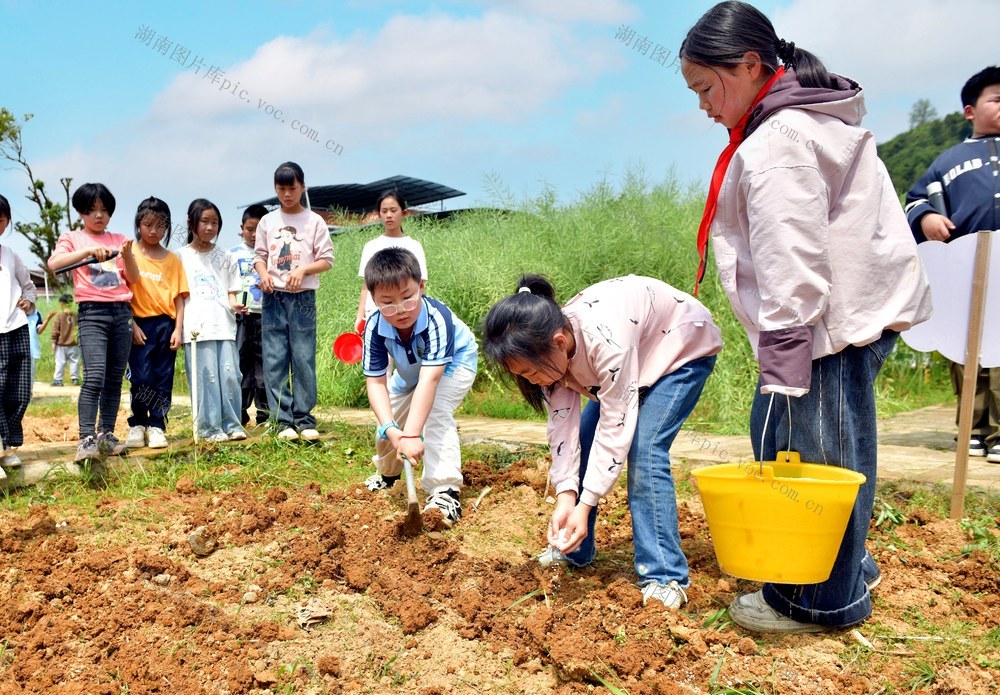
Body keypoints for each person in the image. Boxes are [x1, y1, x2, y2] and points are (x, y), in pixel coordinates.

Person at [678, 1, 932, 632]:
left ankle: (824, 603)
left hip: (824, 328)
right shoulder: (800, 123)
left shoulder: (778, 143)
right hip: (835, 320)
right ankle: (844, 570)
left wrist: (785, 357)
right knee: (795, 445)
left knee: (823, 461)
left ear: (750, 64)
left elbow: (792, 255)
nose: (703, 106)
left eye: (707, 88)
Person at [483, 275, 721, 609]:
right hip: (631, 360)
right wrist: (566, 497)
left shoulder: (604, 343)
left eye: (530, 372)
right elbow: (563, 431)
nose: (530, 381)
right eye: (521, 375)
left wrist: (587, 502)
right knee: (583, 436)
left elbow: (615, 425)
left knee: (645, 448)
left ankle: (664, 576)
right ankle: (573, 547)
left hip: (679, 348)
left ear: (561, 342)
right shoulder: (550, 351)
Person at [904, 66, 1000, 463]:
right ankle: (974, 429)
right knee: (967, 352)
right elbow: (914, 199)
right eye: (996, 100)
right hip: (967, 272)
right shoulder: (948, 161)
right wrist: (926, 217)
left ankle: (999, 433)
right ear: (969, 111)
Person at [362, 247, 478, 526]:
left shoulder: (437, 318)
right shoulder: (375, 326)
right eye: (387, 303)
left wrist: (412, 435)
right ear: (373, 299)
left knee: (434, 413)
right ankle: (389, 476)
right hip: (409, 371)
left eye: (407, 298)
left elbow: (431, 379)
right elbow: (376, 382)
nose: (400, 310)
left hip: (453, 365)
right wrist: (392, 429)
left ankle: (444, 492)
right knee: (385, 423)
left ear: (421, 287)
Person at [48, 183, 140, 461]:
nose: (99, 216)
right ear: (81, 212)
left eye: (104, 210)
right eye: (92, 210)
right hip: (92, 313)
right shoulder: (73, 237)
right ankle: (86, 437)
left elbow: (133, 278)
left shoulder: (119, 238)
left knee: (114, 378)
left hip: (121, 313)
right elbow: (55, 263)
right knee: (95, 375)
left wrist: (126, 255)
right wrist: (89, 252)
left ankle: (106, 435)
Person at [253, 162, 334, 442]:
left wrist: (303, 270)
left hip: (303, 299)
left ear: (303, 187)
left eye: (292, 188)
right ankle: (281, 420)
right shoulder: (267, 221)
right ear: (276, 189)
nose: (287, 194)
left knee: (303, 358)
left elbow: (327, 260)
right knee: (274, 358)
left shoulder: (314, 221)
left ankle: (304, 417)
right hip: (273, 296)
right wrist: (263, 275)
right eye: (282, 188)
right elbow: (259, 256)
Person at [177, 199, 247, 443]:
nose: (209, 227)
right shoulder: (181, 257)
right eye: (204, 221)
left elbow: (231, 291)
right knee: (205, 378)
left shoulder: (225, 256)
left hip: (224, 325)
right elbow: (178, 295)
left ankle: (233, 424)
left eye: (215, 222)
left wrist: (234, 304)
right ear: (191, 223)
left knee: (230, 376)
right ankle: (209, 428)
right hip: (197, 329)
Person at [124, 197, 189, 450]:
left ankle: (158, 425)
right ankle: (138, 423)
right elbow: (123, 294)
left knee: (163, 377)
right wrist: (132, 326)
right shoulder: (130, 255)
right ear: (138, 224)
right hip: (139, 325)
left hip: (165, 325)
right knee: (140, 377)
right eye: (148, 224)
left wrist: (178, 329)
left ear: (167, 228)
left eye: (160, 226)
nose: (154, 231)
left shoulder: (173, 260)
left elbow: (179, 298)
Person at [354, 189, 428, 333]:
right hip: (376, 312)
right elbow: (366, 285)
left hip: (405, 313)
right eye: (384, 211)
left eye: (393, 210)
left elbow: (420, 285)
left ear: (404, 213)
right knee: (377, 353)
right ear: (378, 214)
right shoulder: (371, 246)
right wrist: (360, 316)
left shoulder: (414, 245)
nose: (389, 215)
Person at [0, 193, 37, 474]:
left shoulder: (10, 256)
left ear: (7, 222)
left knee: (20, 391)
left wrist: (28, 301)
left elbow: (29, 286)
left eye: (0, 220)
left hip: (15, 329)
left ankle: (9, 445)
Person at [231, 204, 269, 428]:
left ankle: (265, 414)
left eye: (259, 229)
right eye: (249, 229)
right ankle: (240, 413)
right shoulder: (232, 254)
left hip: (266, 315)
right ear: (242, 228)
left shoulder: (272, 254)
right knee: (241, 364)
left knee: (264, 365)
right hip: (241, 316)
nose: (254, 234)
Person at [44, 294, 81, 387]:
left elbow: (55, 329)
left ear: (61, 304)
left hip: (61, 344)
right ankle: (75, 378)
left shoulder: (60, 315)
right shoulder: (76, 315)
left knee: (60, 362)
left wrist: (53, 341)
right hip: (74, 343)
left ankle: (58, 379)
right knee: (74, 361)